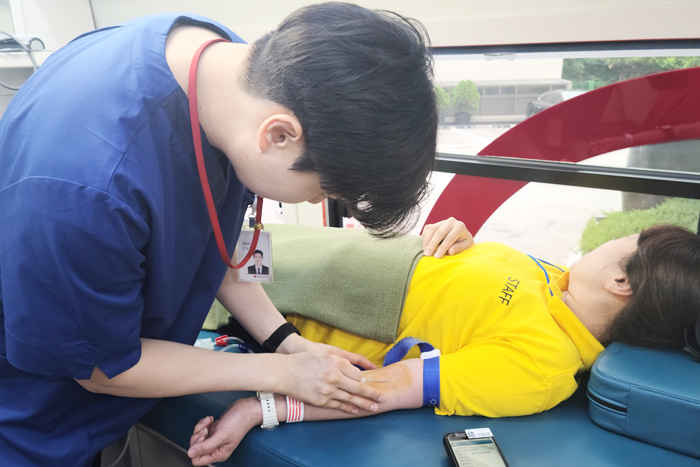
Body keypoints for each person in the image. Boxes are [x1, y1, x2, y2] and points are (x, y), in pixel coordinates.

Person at [0, 3, 437, 465]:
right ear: (278, 135)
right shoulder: (87, 190)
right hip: (30, 424)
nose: (315, 203)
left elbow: (213, 238)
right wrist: (282, 372)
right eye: (322, 191)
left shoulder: (228, 68)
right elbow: (101, 367)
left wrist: (289, 342)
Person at [186, 218, 700, 466]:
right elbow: (473, 290)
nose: (610, 240)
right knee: (215, 230)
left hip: (315, 291)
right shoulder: (558, 279)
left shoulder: (541, 366)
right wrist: (458, 237)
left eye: (625, 241)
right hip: (344, 247)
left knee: (188, 264)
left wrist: (259, 409)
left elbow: (388, 388)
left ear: (621, 282)